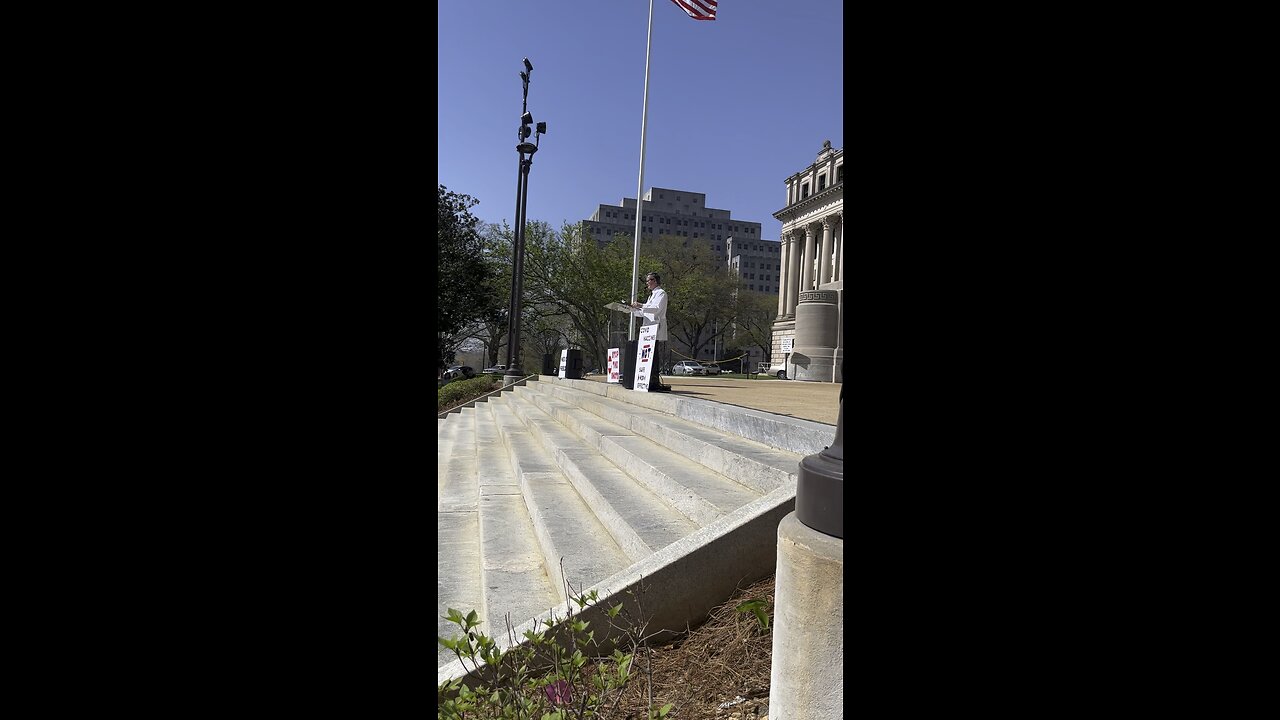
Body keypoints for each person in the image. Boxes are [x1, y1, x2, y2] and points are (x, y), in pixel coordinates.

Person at [628, 271, 671, 392]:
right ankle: (647, 380)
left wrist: (640, 305)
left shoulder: (661, 293)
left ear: (655, 281)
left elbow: (656, 309)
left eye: (649, 280)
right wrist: (632, 310)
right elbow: (644, 312)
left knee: (654, 355)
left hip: (655, 328)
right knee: (647, 355)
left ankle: (654, 381)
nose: (647, 283)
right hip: (647, 329)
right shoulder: (651, 295)